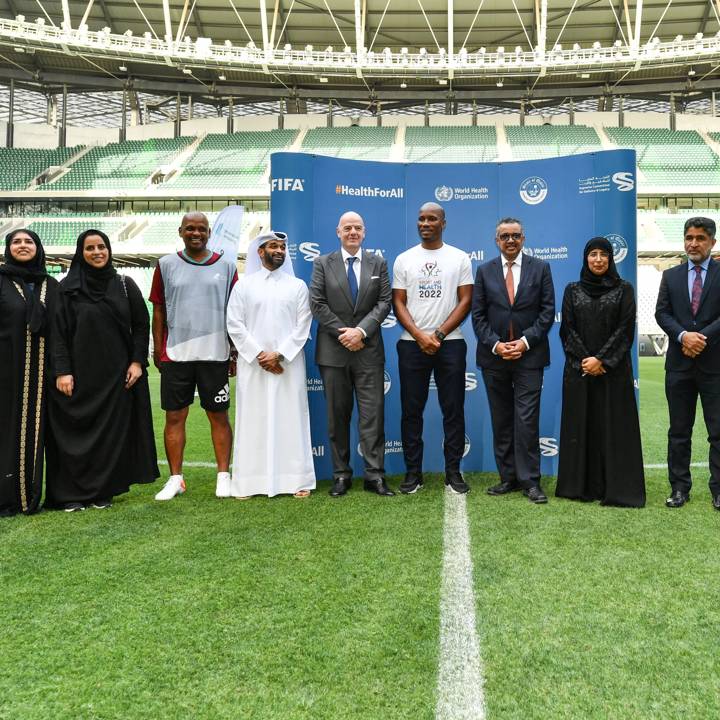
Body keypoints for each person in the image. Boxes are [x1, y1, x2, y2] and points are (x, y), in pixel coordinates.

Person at [46, 229, 158, 511]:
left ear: (109, 250)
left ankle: (101, 492)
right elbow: (57, 333)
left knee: (109, 438)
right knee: (73, 436)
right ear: (80, 253)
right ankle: (70, 494)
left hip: (116, 378)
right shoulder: (67, 289)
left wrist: (136, 362)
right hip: (77, 376)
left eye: (101, 247)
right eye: (90, 248)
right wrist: (62, 371)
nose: (97, 252)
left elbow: (141, 327)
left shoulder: (124, 284)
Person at [149, 212, 237, 501]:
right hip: (177, 354)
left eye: (201, 229)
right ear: (180, 231)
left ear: (209, 232)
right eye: (190, 228)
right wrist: (157, 347)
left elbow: (235, 312)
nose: (195, 233)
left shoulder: (226, 265)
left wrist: (233, 350)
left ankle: (224, 476)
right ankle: (176, 479)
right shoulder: (165, 265)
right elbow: (159, 309)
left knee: (219, 416)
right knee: (175, 416)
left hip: (215, 354)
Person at [556, 237, 645, 507]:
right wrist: (586, 360)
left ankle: (616, 489)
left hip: (613, 373)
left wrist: (602, 360)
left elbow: (625, 330)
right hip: (579, 371)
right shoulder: (572, 290)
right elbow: (567, 329)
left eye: (603, 254)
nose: (598, 259)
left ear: (610, 259)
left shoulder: (624, 289)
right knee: (582, 426)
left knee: (613, 428)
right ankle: (580, 487)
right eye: (592, 254)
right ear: (585, 259)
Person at [472, 217, 555, 504]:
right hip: (494, 358)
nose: (510, 240)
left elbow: (547, 312)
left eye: (515, 236)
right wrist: (496, 345)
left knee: (526, 420)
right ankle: (508, 477)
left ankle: (530, 481)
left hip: (529, 357)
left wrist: (523, 342)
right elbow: (478, 316)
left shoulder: (541, 268)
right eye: (504, 236)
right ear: (496, 240)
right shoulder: (484, 271)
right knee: (502, 419)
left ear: (523, 239)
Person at [310, 211, 393, 497]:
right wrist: (346, 333)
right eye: (348, 228)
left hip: (368, 352)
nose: (353, 232)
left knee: (373, 416)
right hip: (334, 353)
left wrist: (361, 332)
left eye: (357, 227)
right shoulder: (322, 263)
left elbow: (384, 303)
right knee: (337, 416)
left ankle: (375, 476)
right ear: (338, 232)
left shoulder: (378, 263)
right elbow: (318, 304)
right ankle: (341, 475)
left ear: (364, 232)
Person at [226, 230, 315, 498]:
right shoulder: (243, 285)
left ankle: (296, 481)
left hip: (288, 365)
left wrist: (278, 355)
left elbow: (303, 326)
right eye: (272, 246)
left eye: (282, 247)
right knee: (253, 420)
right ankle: (248, 483)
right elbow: (234, 323)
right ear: (260, 252)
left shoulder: (297, 286)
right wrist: (259, 355)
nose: (279, 250)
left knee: (291, 420)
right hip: (253, 366)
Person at [392, 202, 473, 494]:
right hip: (411, 345)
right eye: (421, 218)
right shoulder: (404, 259)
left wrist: (437, 334)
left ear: (443, 223)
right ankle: (413, 473)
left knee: (453, 410)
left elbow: (466, 300)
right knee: (411, 411)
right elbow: (397, 301)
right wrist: (419, 335)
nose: (425, 223)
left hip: (450, 344)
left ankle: (453, 472)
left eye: (432, 219)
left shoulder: (459, 258)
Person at [655, 216, 720, 511]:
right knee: (679, 431)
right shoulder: (671, 276)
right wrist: (683, 336)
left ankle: (718, 490)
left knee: (717, 431)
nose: (693, 243)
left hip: (714, 366)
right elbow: (662, 313)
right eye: (689, 237)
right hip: (679, 367)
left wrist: (700, 338)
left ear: (712, 242)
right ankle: (679, 488)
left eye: (700, 238)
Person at [0, 229, 59, 516]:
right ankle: (5, 499)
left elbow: (63, 331)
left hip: (43, 376)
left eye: (29, 241)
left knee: (36, 435)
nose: (23, 246)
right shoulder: (1, 280)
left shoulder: (51, 285)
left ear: (38, 247)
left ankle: (28, 497)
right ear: (8, 248)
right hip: (6, 373)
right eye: (16, 242)